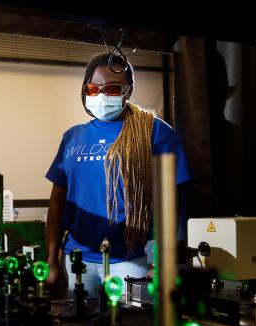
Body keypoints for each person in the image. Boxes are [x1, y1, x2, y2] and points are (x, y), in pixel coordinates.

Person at [45, 53, 191, 297]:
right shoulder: (72, 137)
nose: (101, 95)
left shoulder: (155, 132)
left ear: (128, 90)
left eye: (112, 88)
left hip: (132, 262)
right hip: (77, 261)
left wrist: (160, 262)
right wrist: (51, 261)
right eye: (93, 88)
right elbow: (57, 203)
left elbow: (174, 204)